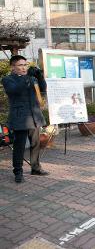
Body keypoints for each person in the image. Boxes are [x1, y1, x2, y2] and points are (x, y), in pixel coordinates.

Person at [1, 55, 49, 183]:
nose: (24, 68)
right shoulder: (7, 79)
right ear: (13, 67)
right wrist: (27, 78)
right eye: (20, 65)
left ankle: (36, 168)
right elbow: (14, 91)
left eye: (25, 65)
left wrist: (40, 76)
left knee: (35, 144)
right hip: (20, 118)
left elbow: (43, 89)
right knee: (19, 146)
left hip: (34, 116)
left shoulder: (31, 78)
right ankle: (18, 171)